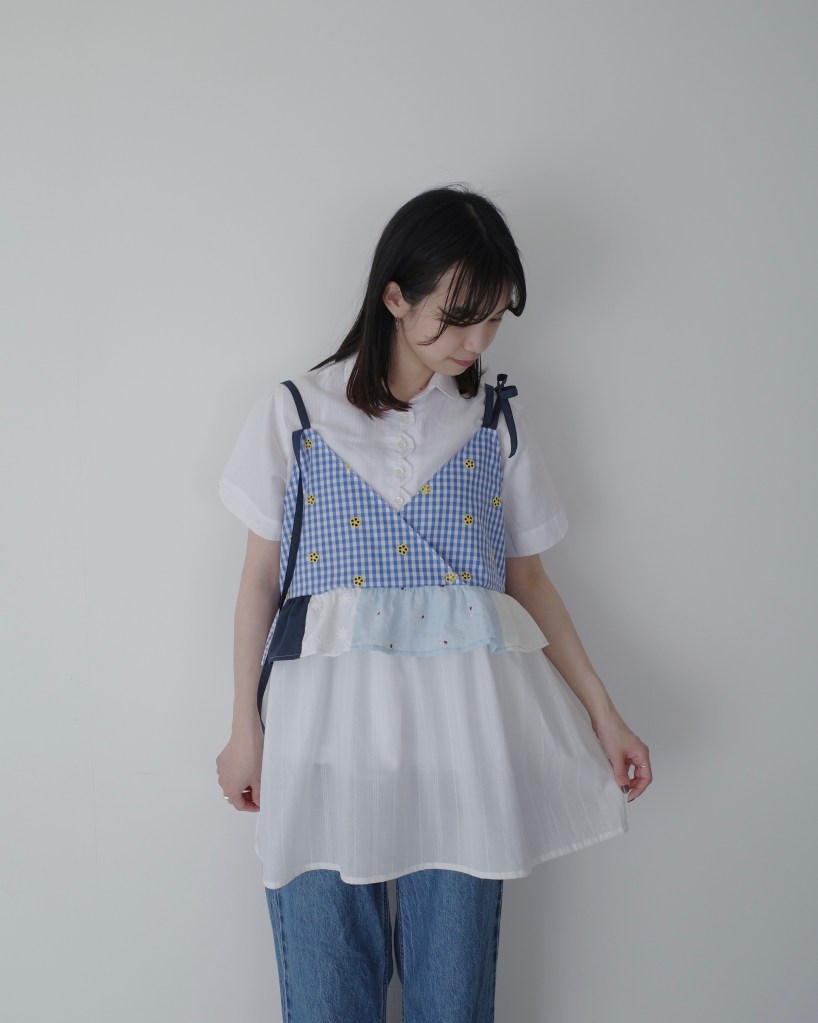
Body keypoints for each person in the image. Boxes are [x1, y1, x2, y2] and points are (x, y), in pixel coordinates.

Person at [216, 184, 652, 1022]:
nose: (475, 341)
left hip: (463, 744)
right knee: (327, 996)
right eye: (456, 318)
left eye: (492, 319)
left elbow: (528, 581)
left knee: (452, 1000)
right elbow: (258, 581)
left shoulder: (493, 420)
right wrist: (245, 727)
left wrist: (604, 713)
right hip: (321, 740)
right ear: (394, 296)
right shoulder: (297, 412)